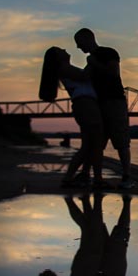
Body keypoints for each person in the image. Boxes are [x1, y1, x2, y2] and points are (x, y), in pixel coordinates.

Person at [74, 28, 134, 189]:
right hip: (98, 105)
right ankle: (88, 175)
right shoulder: (90, 61)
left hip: (115, 102)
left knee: (121, 141)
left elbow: (113, 73)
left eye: (79, 43)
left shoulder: (109, 53)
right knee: (97, 143)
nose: (78, 47)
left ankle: (127, 177)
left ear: (88, 39)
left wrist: (94, 64)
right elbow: (83, 79)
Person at [39, 46, 106, 189]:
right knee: (94, 144)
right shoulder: (64, 68)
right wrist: (91, 60)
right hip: (86, 105)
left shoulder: (65, 68)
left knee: (89, 145)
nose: (64, 49)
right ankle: (95, 179)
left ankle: (75, 177)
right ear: (57, 56)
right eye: (60, 49)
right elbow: (85, 76)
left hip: (84, 105)